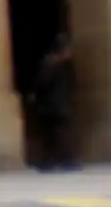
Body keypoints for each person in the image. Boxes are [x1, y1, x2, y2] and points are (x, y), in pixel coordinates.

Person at [27, 31, 80, 173]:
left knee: (52, 135)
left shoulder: (54, 64)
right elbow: (42, 84)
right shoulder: (54, 65)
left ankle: (51, 162)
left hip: (52, 105)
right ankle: (63, 161)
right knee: (59, 134)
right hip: (55, 105)